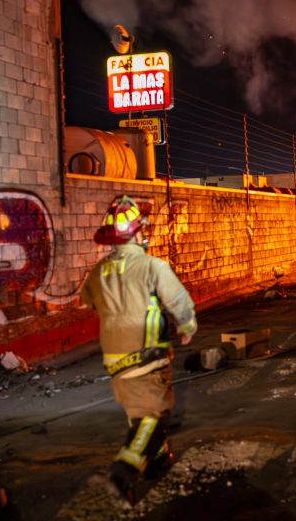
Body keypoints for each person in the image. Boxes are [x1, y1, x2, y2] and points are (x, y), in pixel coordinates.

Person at [80, 195, 199, 503]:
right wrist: (187, 327)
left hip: (115, 361)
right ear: (136, 233)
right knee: (153, 415)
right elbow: (178, 302)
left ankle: (157, 460)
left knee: (138, 413)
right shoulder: (152, 266)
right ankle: (125, 468)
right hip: (146, 356)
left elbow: (88, 300)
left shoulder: (99, 271)